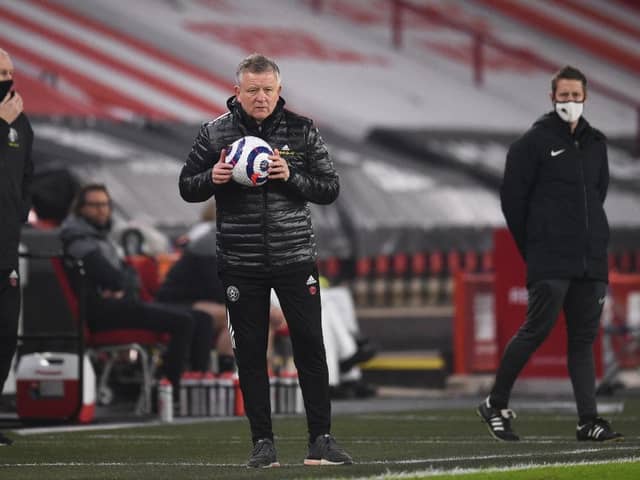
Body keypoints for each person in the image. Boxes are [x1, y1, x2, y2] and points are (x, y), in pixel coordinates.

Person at [179, 53, 352, 467]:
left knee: (311, 345)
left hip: (295, 256)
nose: (261, 97)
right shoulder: (215, 133)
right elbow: (187, 186)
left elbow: (329, 188)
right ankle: (263, 443)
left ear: (279, 90)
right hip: (241, 261)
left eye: (268, 90)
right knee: (251, 352)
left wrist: (291, 177)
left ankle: (321, 441)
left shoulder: (302, 130)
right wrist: (212, 179)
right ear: (237, 91)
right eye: (252, 90)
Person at [477, 66, 623, 443]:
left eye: (576, 96)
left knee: (583, 340)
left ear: (585, 97)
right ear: (552, 97)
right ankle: (496, 403)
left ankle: (587, 421)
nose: (570, 102)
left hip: (590, 258)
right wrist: (536, 247)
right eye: (564, 96)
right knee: (536, 330)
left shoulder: (597, 144)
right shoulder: (532, 144)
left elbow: (598, 194)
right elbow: (513, 202)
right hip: (550, 256)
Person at [59, 184, 213, 400]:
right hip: (102, 311)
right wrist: (121, 284)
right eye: (94, 205)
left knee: (203, 318)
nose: (102, 210)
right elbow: (110, 276)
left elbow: (129, 276)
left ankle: (199, 384)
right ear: (80, 208)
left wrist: (123, 286)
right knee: (184, 321)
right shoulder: (77, 240)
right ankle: (172, 393)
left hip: (123, 303)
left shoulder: (102, 238)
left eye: (105, 204)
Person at [155, 222, 287, 374]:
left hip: (209, 301)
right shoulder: (212, 244)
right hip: (177, 302)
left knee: (263, 321)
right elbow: (223, 289)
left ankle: (260, 378)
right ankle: (227, 374)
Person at [0, 48, 33, 446]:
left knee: (6, 333)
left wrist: (18, 215)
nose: (6, 78)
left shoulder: (20, 121)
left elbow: (28, 174)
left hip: (6, 248)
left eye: (9, 71)